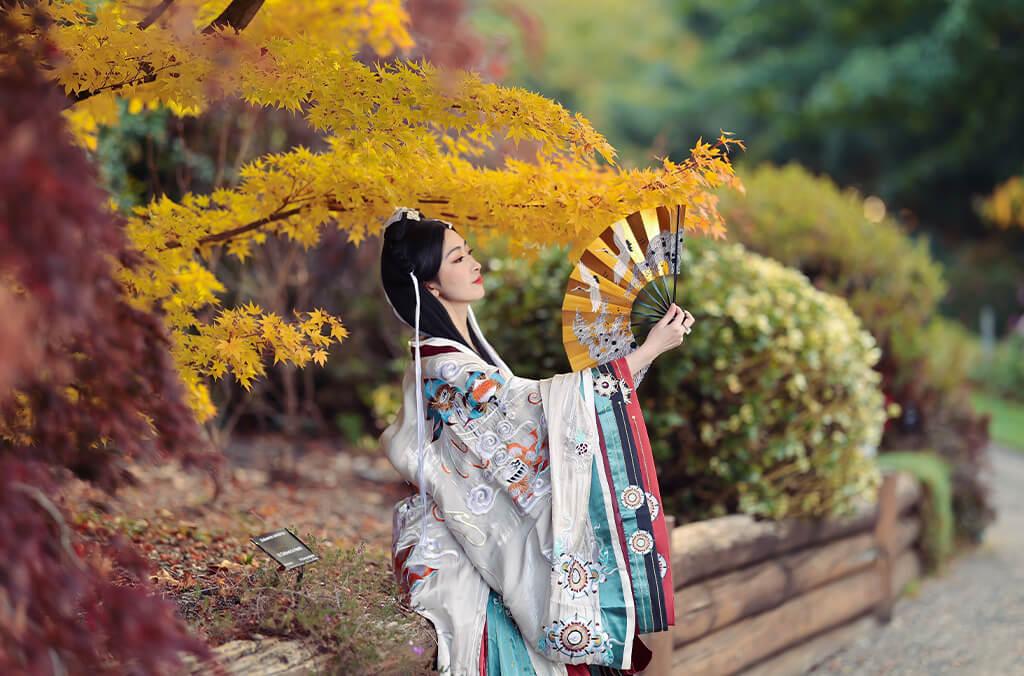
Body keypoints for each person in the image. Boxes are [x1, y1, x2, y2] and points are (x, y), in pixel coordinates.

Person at [378, 207, 695, 675]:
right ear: (432, 287)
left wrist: (640, 355)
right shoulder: (445, 366)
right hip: (458, 545)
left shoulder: (461, 354)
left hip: (475, 530)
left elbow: (550, 415)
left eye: (468, 252)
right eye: (459, 258)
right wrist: (647, 350)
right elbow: (532, 407)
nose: (475, 263)